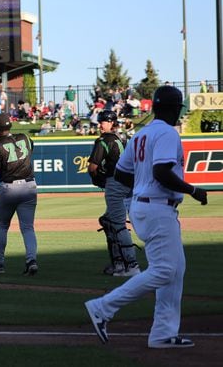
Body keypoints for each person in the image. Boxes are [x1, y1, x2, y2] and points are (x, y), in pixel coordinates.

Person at [85, 85, 208, 349]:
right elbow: (162, 171)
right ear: (173, 109)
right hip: (157, 208)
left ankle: (163, 333)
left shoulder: (143, 133)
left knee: (175, 270)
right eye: (178, 109)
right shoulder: (166, 132)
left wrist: (142, 185)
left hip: (145, 205)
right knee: (165, 270)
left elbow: (121, 174)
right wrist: (193, 190)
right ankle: (103, 307)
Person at [0, 113, 38, 275]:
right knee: (28, 227)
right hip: (29, 185)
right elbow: (30, 151)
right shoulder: (25, 137)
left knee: (2, 226)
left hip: (10, 187)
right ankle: (31, 260)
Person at [87, 110, 139, 277]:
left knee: (117, 224)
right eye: (100, 121)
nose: (100, 124)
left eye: (104, 121)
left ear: (112, 123)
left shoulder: (104, 140)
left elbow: (92, 167)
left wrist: (98, 178)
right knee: (108, 221)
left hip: (115, 182)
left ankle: (131, 265)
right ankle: (118, 263)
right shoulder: (121, 138)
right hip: (128, 182)